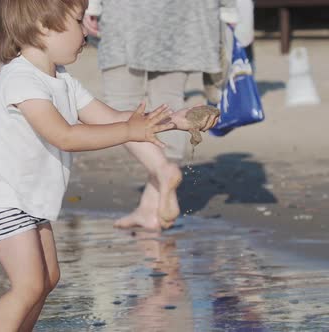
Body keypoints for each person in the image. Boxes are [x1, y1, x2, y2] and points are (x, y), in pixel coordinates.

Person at [0, 0, 219, 330]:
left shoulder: (61, 79)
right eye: (79, 22)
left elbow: (110, 117)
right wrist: (129, 131)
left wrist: (174, 121)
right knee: (28, 285)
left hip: (26, 198)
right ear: (44, 26)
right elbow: (65, 136)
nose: (86, 32)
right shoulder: (21, 79)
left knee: (48, 278)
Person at [84, 0, 234, 229]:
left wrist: (91, 7)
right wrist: (230, 10)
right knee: (169, 100)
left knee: (121, 102)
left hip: (130, 12)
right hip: (187, 12)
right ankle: (150, 208)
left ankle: (162, 169)